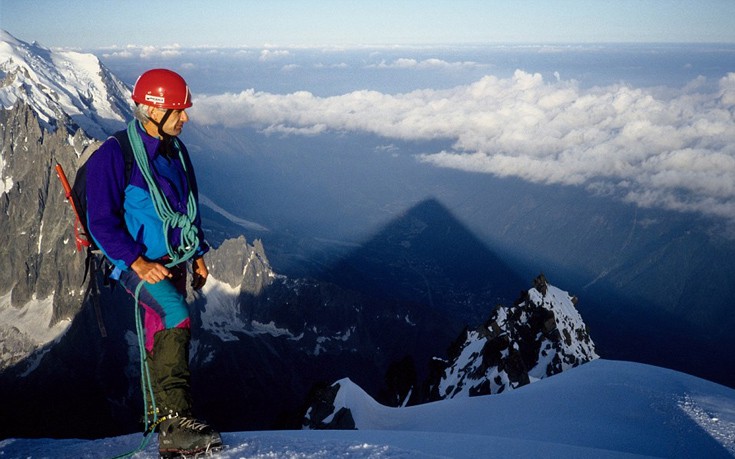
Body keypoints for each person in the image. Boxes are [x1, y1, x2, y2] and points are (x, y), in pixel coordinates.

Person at [85, 68, 222, 457]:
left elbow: (186, 209)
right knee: (175, 314)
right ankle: (177, 422)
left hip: (172, 260)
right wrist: (137, 262)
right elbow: (101, 223)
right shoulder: (114, 155)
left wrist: (196, 255)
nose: (186, 118)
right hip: (133, 262)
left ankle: (164, 428)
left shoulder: (175, 151)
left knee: (157, 330)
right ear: (153, 111)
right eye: (178, 110)